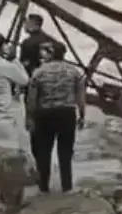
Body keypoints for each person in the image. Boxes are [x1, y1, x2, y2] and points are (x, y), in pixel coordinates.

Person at [26, 41, 86, 193]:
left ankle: (43, 186)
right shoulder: (74, 71)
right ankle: (67, 185)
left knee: (44, 151)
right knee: (65, 151)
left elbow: (32, 98)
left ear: (51, 54)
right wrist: (82, 114)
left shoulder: (39, 72)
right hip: (66, 113)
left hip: (44, 114)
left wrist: (29, 116)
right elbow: (80, 95)